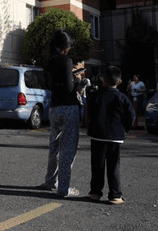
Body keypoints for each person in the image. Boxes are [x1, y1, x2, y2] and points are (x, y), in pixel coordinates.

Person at [39, 29, 80, 198]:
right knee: (68, 150)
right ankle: (64, 188)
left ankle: (50, 181)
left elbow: (49, 85)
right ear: (65, 46)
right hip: (69, 107)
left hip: (54, 108)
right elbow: (69, 88)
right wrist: (77, 81)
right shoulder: (67, 60)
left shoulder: (48, 61)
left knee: (54, 147)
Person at [87, 66, 136, 205]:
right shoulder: (122, 97)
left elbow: (90, 112)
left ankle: (95, 192)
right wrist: (124, 129)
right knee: (114, 165)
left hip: (97, 135)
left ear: (103, 80)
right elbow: (131, 116)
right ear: (119, 81)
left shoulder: (97, 95)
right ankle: (115, 195)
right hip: (115, 136)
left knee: (97, 165)